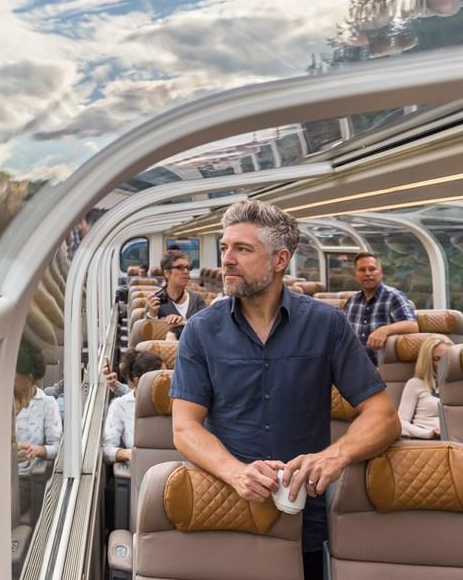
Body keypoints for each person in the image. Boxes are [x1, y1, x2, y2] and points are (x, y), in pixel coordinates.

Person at [170, 201, 399, 580]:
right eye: (225, 247)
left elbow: (384, 416)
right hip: (226, 509)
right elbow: (184, 428)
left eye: (242, 249)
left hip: (306, 513)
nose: (227, 259)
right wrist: (236, 473)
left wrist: (334, 456)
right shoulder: (201, 330)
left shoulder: (326, 324)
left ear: (280, 259)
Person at [342, 252, 418, 363]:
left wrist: (384, 330)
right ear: (355, 275)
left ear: (381, 273)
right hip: (353, 364)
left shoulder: (394, 297)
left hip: (383, 367)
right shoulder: (352, 301)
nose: (367, 274)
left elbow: (412, 325)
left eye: (372, 269)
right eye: (362, 270)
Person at [102, 349, 165, 464]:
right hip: (143, 465)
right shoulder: (121, 406)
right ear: (137, 381)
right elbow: (107, 450)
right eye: (160, 379)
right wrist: (129, 454)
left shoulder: (174, 401)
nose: (167, 382)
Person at [14, 342, 62, 477]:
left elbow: (57, 448)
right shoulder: (2, 401)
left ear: (29, 379)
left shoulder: (47, 404)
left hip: (28, 477)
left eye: (15, 377)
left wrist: (37, 450)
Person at [397, 334, 453, 438]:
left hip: (454, 440)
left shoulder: (459, 387)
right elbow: (401, 422)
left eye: (446, 358)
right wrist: (429, 433)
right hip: (425, 439)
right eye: (437, 359)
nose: (443, 364)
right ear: (428, 362)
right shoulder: (415, 384)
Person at [145, 251, 207, 340]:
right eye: (180, 267)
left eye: (188, 268)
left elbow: (205, 329)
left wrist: (183, 322)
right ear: (167, 273)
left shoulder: (197, 299)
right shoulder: (155, 300)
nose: (186, 271)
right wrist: (152, 315)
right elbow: (148, 336)